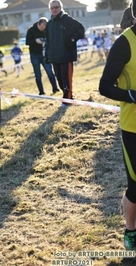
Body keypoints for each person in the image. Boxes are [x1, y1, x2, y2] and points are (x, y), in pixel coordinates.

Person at [99, 1, 136, 250]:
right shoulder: (125, 43)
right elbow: (105, 85)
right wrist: (132, 95)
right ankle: (131, 231)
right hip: (133, 126)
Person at [45, 0, 85, 107]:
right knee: (59, 79)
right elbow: (47, 41)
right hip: (54, 57)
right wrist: (47, 55)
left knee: (66, 78)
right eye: (52, 8)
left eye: (56, 7)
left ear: (60, 7)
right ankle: (67, 96)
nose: (54, 9)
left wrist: (72, 40)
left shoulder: (67, 20)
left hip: (66, 55)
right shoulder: (49, 24)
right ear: (50, 9)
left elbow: (80, 29)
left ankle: (67, 99)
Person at [25, 17, 59, 95]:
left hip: (45, 54)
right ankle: (41, 91)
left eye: (44, 28)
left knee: (50, 72)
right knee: (38, 74)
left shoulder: (46, 30)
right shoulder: (31, 30)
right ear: (38, 24)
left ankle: (55, 88)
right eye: (41, 27)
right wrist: (35, 41)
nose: (42, 29)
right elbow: (27, 42)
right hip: (34, 55)